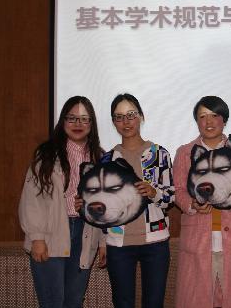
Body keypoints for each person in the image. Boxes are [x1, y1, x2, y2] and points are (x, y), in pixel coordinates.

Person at [173, 95, 231, 308]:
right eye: (202, 116)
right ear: (197, 121)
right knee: (198, 299)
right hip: (198, 240)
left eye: (214, 115)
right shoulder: (185, 153)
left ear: (224, 119)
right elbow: (177, 190)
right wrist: (192, 205)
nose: (208, 121)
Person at [18, 95, 106, 308]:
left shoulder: (100, 157)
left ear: (92, 124)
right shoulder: (47, 154)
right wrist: (37, 238)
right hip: (51, 233)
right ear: (63, 121)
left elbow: (104, 204)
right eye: (72, 118)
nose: (78, 124)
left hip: (85, 233)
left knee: (74, 301)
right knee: (52, 302)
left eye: (84, 119)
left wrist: (103, 241)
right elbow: (32, 199)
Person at [102, 93, 174, 308]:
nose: (126, 122)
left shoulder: (159, 154)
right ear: (113, 121)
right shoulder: (107, 159)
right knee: (122, 303)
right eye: (119, 117)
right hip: (118, 242)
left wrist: (153, 192)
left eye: (131, 115)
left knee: (154, 303)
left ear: (141, 116)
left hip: (156, 242)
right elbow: (103, 207)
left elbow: (170, 197)